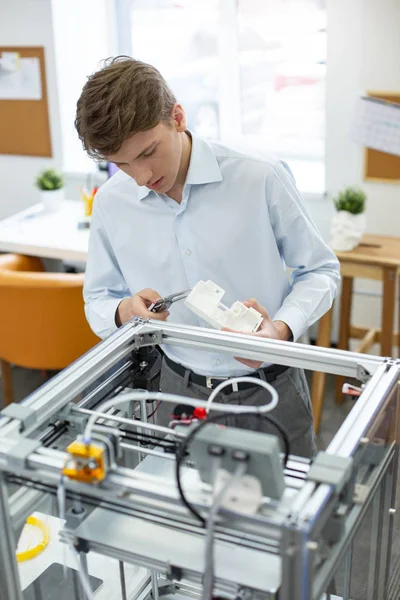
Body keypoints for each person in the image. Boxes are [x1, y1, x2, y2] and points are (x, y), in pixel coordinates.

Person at [75, 56, 340, 458]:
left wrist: (280, 331)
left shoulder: (259, 175)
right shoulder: (112, 203)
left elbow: (320, 270)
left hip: (271, 387)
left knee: (292, 515)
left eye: (147, 152)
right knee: (184, 515)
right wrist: (125, 311)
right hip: (177, 391)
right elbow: (97, 298)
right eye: (122, 164)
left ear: (177, 117)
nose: (141, 176)